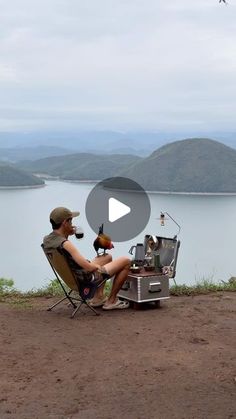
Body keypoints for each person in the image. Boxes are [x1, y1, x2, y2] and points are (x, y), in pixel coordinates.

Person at [43, 207, 131, 310]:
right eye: (70, 221)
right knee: (126, 261)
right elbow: (88, 267)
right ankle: (111, 301)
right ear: (65, 223)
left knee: (107, 257)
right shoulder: (66, 244)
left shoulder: (47, 240)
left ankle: (98, 298)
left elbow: (63, 249)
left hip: (74, 277)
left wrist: (67, 233)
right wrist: (97, 266)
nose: (72, 224)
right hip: (86, 278)